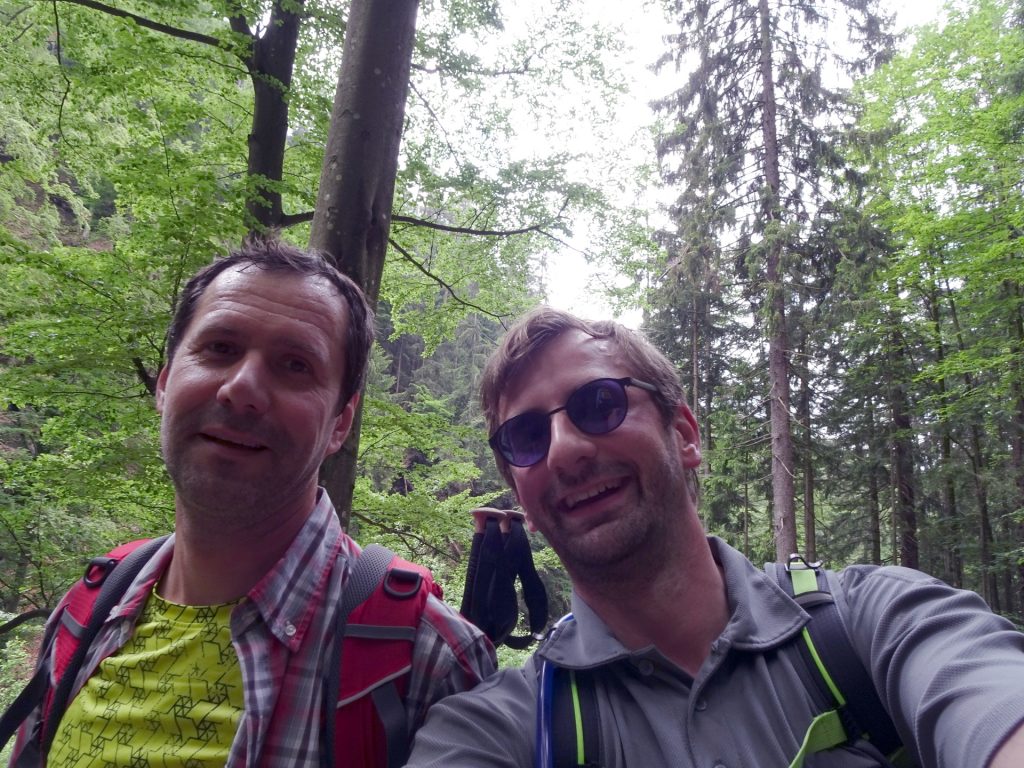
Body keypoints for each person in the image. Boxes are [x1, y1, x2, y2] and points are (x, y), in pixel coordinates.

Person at [406, 306, 1024, 768]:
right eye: (527, 437)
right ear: (522, 503)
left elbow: (989, 698)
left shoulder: (873, 625)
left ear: (684, 435)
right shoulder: (500, 730)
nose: (565, 450)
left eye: (599, 403)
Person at [10, 239, 495, 766]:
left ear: (340, 424)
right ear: (166, 384)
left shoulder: (428, 661)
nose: (242, 389)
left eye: (294, 364)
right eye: (219, 348)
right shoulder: (84, 613)